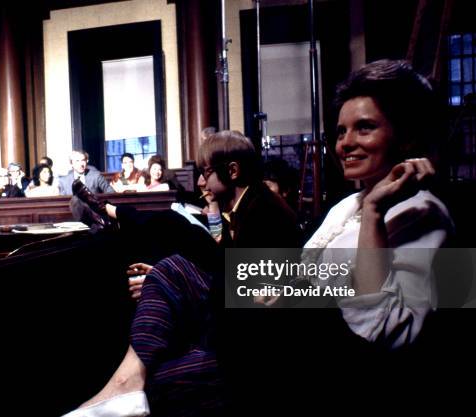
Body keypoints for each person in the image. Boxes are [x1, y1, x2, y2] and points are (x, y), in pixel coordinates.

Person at [64, 131, 300, 417]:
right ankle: (125, 383)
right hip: (233, 324)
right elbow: (229, 275)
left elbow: (256, 303)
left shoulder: (265, 212)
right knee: (167, 266)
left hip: (251, 348)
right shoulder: (245, 207)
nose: (201, 182)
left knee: (170, 269)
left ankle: (126, 383)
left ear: (233, 171)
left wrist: (182, 296)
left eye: (206, 173)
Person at [297, 59, 453, 347]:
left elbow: (387, 331)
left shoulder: (424, 213)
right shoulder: (345, 206)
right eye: (341, 131)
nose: (344, 143)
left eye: (364, 128)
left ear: (406, 137)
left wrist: (374, 213)